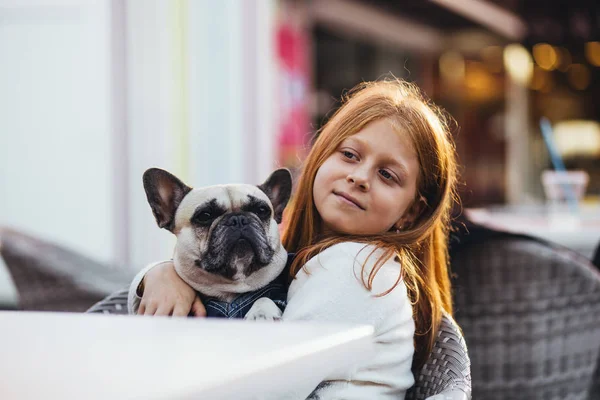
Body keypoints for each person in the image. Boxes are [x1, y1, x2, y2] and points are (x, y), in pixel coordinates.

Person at [130, 79, 459, 399]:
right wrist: (160, 275)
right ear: (322, 155)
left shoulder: (355, 268)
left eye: (387, 175)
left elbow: (270, 388)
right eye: (349, 155)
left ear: (411, 213)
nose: (359, 177)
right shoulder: (310, 260)